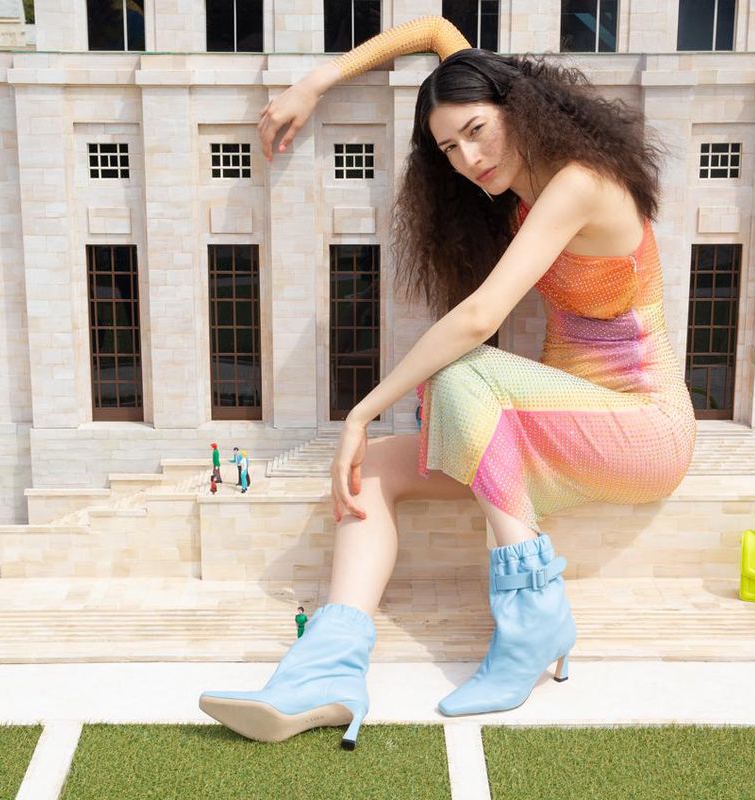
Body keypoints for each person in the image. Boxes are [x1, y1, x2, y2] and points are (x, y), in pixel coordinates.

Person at [200, 17, 696, 750]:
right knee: (368, 474)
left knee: (460, 368)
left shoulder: (581, 184)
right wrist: (319, 81)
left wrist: (361, 410)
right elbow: (436, 31)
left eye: (476, 132)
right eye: (448, 147)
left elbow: (480, 317)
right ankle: (327, 672)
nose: (467, 158)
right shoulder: (516, 166)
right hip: (556, 434)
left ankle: (532, 620)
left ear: (516, 106)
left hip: (643, 432)